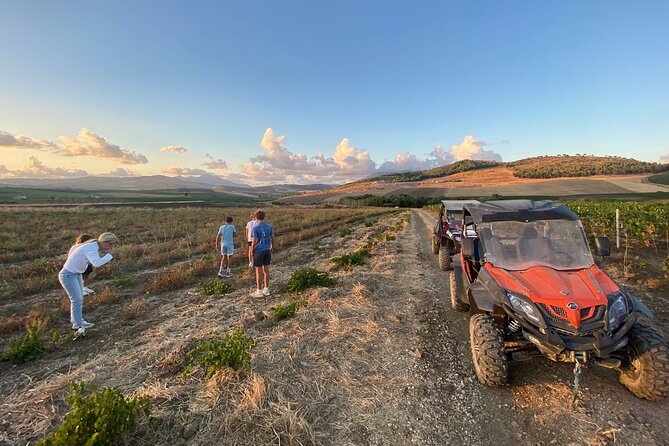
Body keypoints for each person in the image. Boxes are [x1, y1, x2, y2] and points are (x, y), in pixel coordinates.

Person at [58, 232, 118, 334]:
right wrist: (109, 256)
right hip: (68, 275)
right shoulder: (91, 247)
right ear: (104, 242)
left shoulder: (91, 245)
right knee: (76, 299)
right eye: (110, 244)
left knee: (79, 298)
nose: (111, 247)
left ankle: (78, 321)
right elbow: (96, 263)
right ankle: (78, 325)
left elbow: (74, 248)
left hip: (76, 274)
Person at [250, 210, 274, 298]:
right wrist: (272, 246)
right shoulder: (269, 226)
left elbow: (254, 241)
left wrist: (252, 251)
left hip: (259, 251)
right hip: (267, 249)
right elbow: (272, 237)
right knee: (266, 270)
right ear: (264, 217)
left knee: (258, 271)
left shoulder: (255, 228)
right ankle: (266, 289)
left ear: (256, 218)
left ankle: (259, 291)